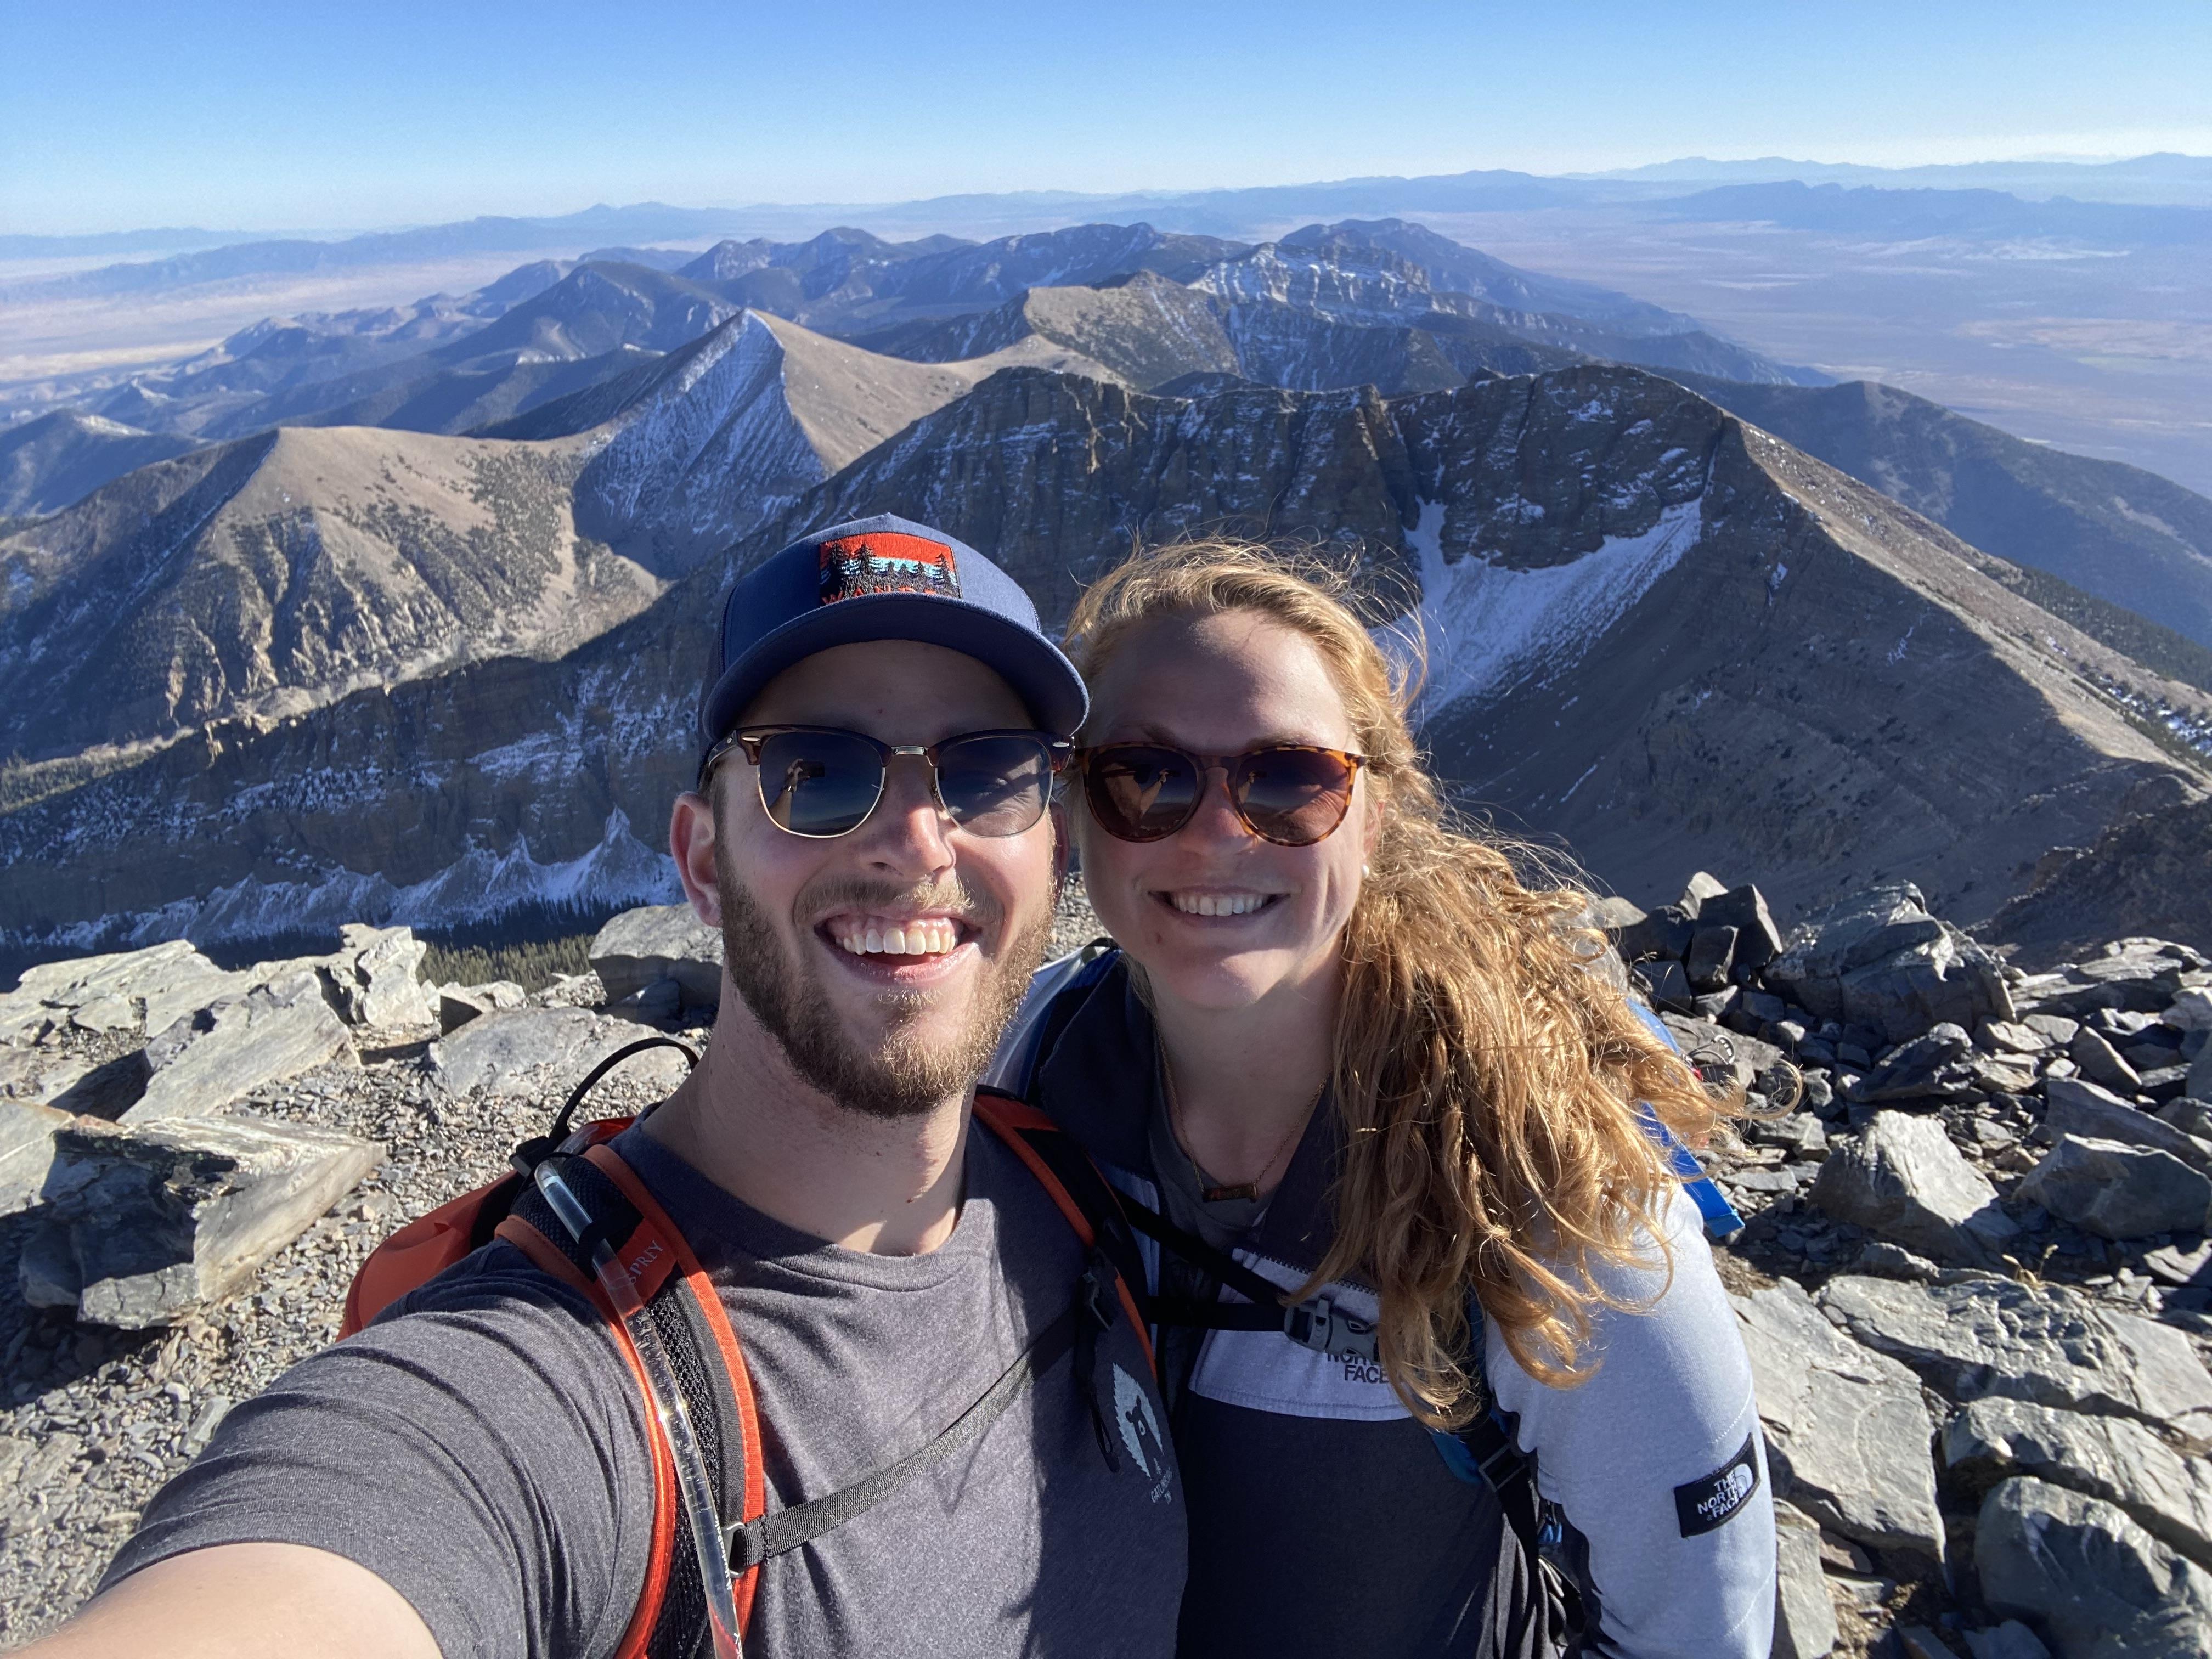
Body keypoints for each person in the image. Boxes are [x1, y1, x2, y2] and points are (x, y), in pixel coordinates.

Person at [28, 515, 1185, 1659]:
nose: (920, 840)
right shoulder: (545, 1387)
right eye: (816, 772)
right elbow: (349, 1535)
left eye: (988, 773)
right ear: (701, 862)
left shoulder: (1079, 1185)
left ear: (1056, 849)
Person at [988, 541, 1775, 1659]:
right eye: (1145, 777)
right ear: (1074, 812)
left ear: (1373, 814)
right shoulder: (1041, 1055)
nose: (1218, 830)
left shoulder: (1546, 1194)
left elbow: (1701, 1631)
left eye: (1289, 780)